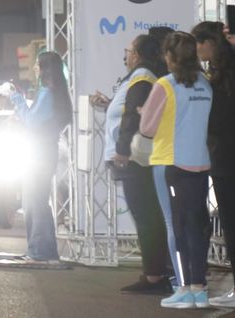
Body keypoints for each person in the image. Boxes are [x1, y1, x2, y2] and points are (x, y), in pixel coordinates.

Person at [91, 34, 171, 294]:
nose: (125, 55)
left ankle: (155, 276)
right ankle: (156, 273)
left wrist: (123, 150)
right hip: (135, 158)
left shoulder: (142, 77)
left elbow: (133, 117)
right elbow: (127, 112)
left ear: (136, 54)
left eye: (127, 50)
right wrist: (107, 104)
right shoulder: (139, 77)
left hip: (136, 159)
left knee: (146, 216)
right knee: (146, 216)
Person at [139, 31, 213, 310]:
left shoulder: (165, 85)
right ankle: (199, 287)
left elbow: (146, 128)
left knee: (176, 226)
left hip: (171, 162)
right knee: (197, 227)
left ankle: (183, 287)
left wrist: (144, 111)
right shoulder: (205, 84)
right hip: (200, 163)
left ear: (169, 56)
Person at [191, 22, 235, 308]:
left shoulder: (221, 78)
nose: (196, 50)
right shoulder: (226, 71)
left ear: (210, 43)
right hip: (228, 157)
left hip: (226, 159)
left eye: (198, 43)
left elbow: (216, 120)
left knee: (233, 224)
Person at [10, 50, 71, 263]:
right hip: (45, 151)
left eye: (37, 64)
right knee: (36, 201)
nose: (34, 68)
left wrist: (16, 100)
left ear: (45, 69)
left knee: (35, 202)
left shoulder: (47, 92)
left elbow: (33, 121)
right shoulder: (55, 92)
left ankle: (40, 251)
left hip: (39, 153)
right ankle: (40, 249)